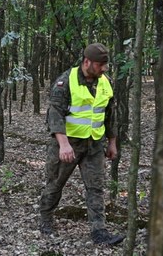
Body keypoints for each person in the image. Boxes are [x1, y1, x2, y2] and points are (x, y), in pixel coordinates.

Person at [39, 43, 125, 245]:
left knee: (96, 188)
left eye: (105, 65)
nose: (104, 68)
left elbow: (110, 115)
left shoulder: (105, 82)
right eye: (100, 64)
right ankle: (46, 220)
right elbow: (55, 114)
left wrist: (112, 142)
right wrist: (63, 144)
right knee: (55, 184)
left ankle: (99, 231)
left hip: (94, 145)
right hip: (68, 144)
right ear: (87, 62)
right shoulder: (65, 81)